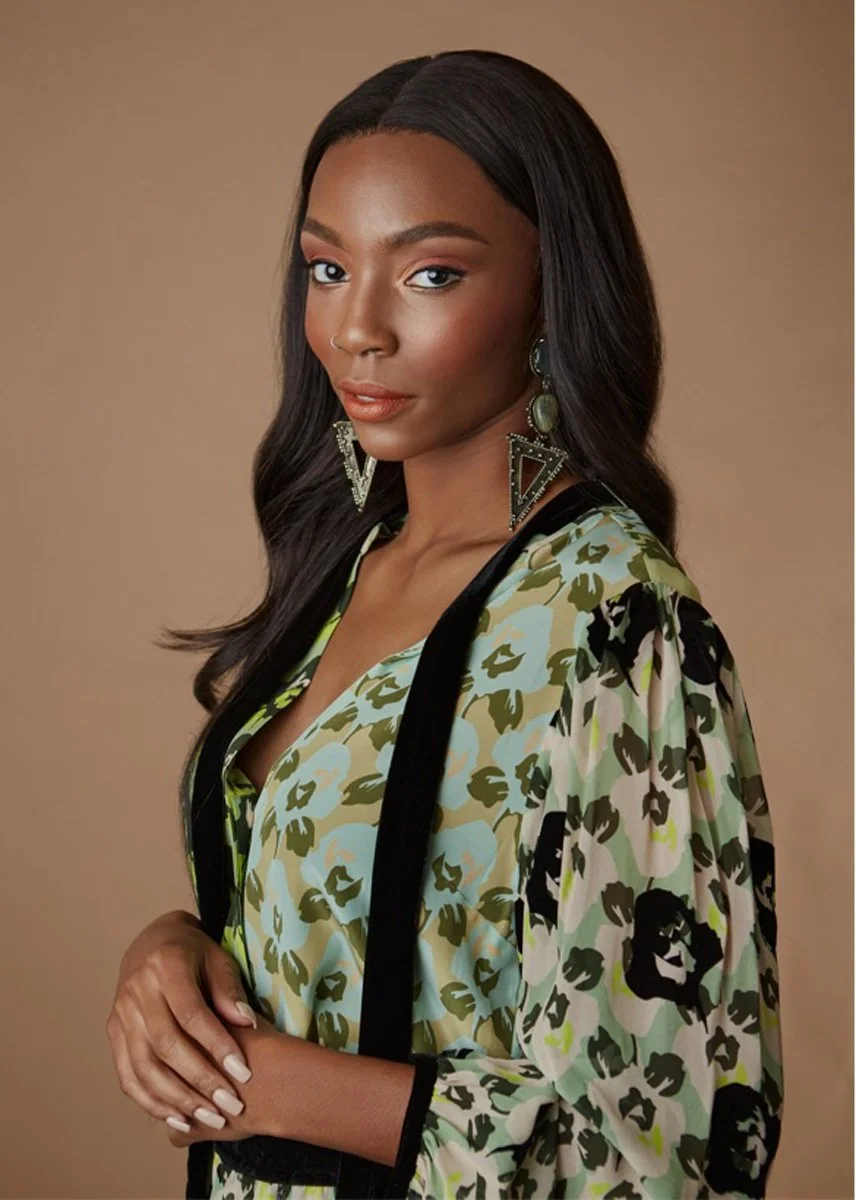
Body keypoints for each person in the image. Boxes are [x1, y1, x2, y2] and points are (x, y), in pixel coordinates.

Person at [106, 49, 784, 1199]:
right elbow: (360, 911)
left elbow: (671, 1146)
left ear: (549, 288)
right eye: (327, 268)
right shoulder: (349, 561)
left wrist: (262, 1085)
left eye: (427, 276)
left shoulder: (614, 624)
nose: (357, 329)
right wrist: (174, 949)